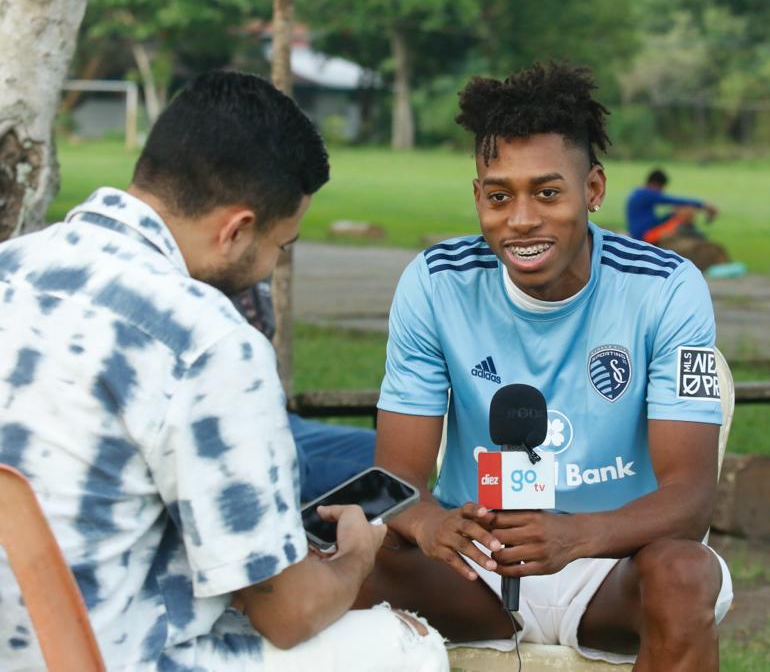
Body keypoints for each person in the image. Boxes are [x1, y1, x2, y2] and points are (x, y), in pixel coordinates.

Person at [0, 71, 447, 671]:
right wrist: (356, 557)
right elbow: (288, 615)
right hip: (101, 656)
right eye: (280, 247)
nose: (271, 265)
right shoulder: (209, 341)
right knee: (406, 644)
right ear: (237, 231)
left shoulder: (12, 265)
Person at [356, 62, 732, 671]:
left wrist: (577, 535)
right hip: (475, 567)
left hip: (614, 563)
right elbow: (394, 478)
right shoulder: (436, 283)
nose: (522, 219)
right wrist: (429, 524)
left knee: (686, 573)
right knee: (332, 562)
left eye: (548, 193)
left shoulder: (666, 287)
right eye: (499, 196)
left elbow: (690, 498)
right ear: (478, 197)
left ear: (594, 189)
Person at [231, 281, 375, 502]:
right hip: (234, 427)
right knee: (285, 459)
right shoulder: (196, 289)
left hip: (281, 420)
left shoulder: (255, 274)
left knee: (387, 455)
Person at [625, 169, 719, 244]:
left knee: (675, 212)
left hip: (640, 231)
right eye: (661, 188)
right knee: (683, 213)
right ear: (656, 184)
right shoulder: (647, 193)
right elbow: (675, 200)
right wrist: (703, 205)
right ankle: (696, 238)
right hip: (644, 235)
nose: (661, 192)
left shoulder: (638, 191)